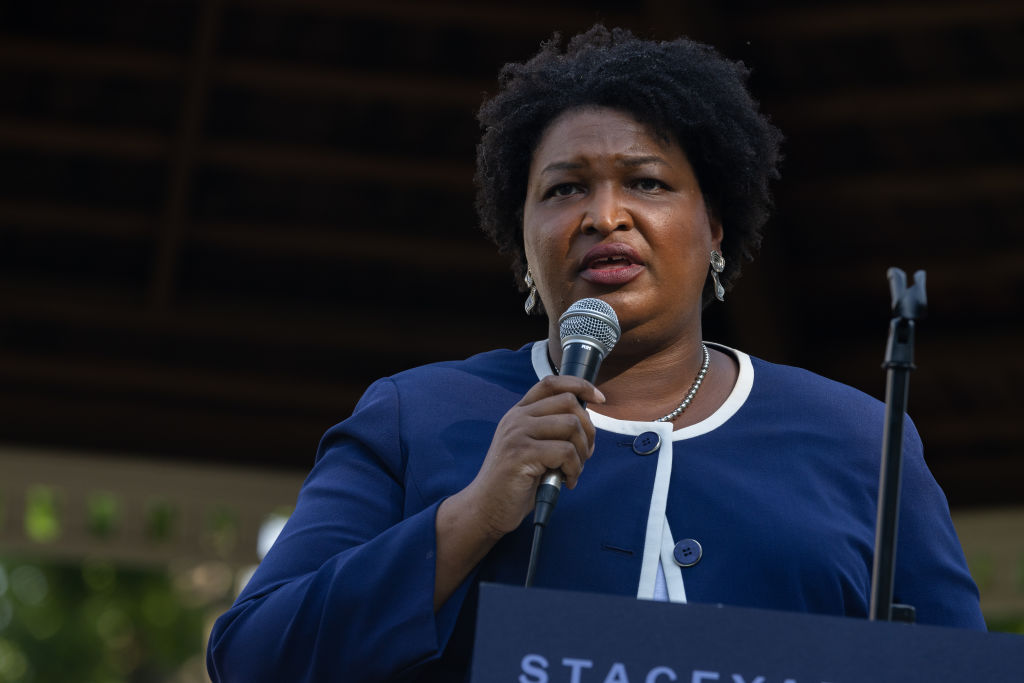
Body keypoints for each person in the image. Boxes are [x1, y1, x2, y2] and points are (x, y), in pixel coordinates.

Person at [206, 25, 985, 682]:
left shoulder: (861, 441)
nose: (604, 215)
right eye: (563, 189)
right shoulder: (417, 417)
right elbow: (253, 654)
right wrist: (472, 517)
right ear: (522, 243)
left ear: (714, 228)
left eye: (646, 183)